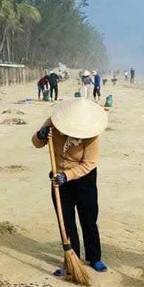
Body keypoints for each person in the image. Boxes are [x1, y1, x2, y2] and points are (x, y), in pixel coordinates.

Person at [32, 98, 109, 274]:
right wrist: (40, 135)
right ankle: (71, 259)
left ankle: (94, 257)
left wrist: (67, 176)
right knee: (65, 220)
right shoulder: (53, 123)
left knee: (88, 219)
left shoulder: (92, 135)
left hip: (84, 178)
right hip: (57, 175)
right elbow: (37, 143)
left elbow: (89, 164)